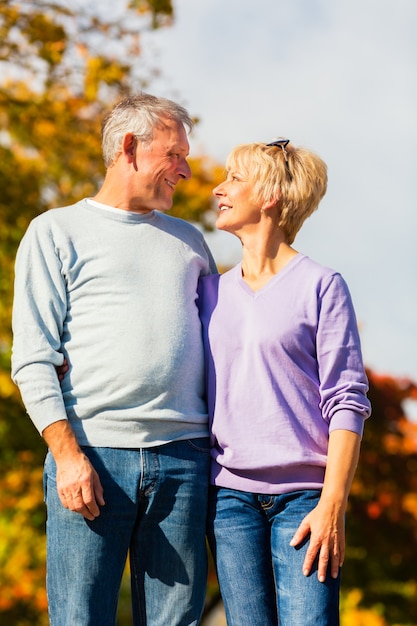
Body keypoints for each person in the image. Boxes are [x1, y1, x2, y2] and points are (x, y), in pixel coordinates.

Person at [11, 93, 217, 626]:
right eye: (174, 155)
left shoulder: (190, 242)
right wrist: (66, 453)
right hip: (92, 457)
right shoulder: (55, 231)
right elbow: (33, 357)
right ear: (130, 147)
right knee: (81, 618)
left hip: (184, 460)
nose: (187, 170)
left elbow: (222, 349)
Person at [197, 138, 371, 626]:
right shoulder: (208, 292)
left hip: (305, 501)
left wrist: (332, 503)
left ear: (270, 195)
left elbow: (348, 401)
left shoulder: (321, 285)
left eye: (235, 179)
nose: (218, 189)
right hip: (228, 501)